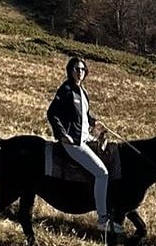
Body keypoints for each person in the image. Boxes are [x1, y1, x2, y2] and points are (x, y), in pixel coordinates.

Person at [46, 56, 119, 233]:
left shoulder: (82, 91)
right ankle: (102, 219)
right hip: (74, 142)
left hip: (86, 137)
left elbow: (84, 114)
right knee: (102, 173)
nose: (80, 72)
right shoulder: (66, 89)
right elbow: (52, 113)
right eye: (76, 69)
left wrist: (96, 123)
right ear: (70, 71)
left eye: (82, 69)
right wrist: (62, 135)